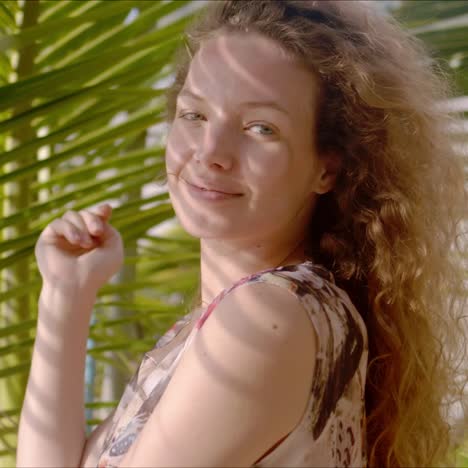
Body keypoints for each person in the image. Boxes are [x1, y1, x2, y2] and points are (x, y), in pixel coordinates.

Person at [16, 1, 467, 467]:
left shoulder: (267, 316)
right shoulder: (246, 317)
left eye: (260, 128)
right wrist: (66, 295)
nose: (211, 153)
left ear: (327, 168)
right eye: (195, 115)